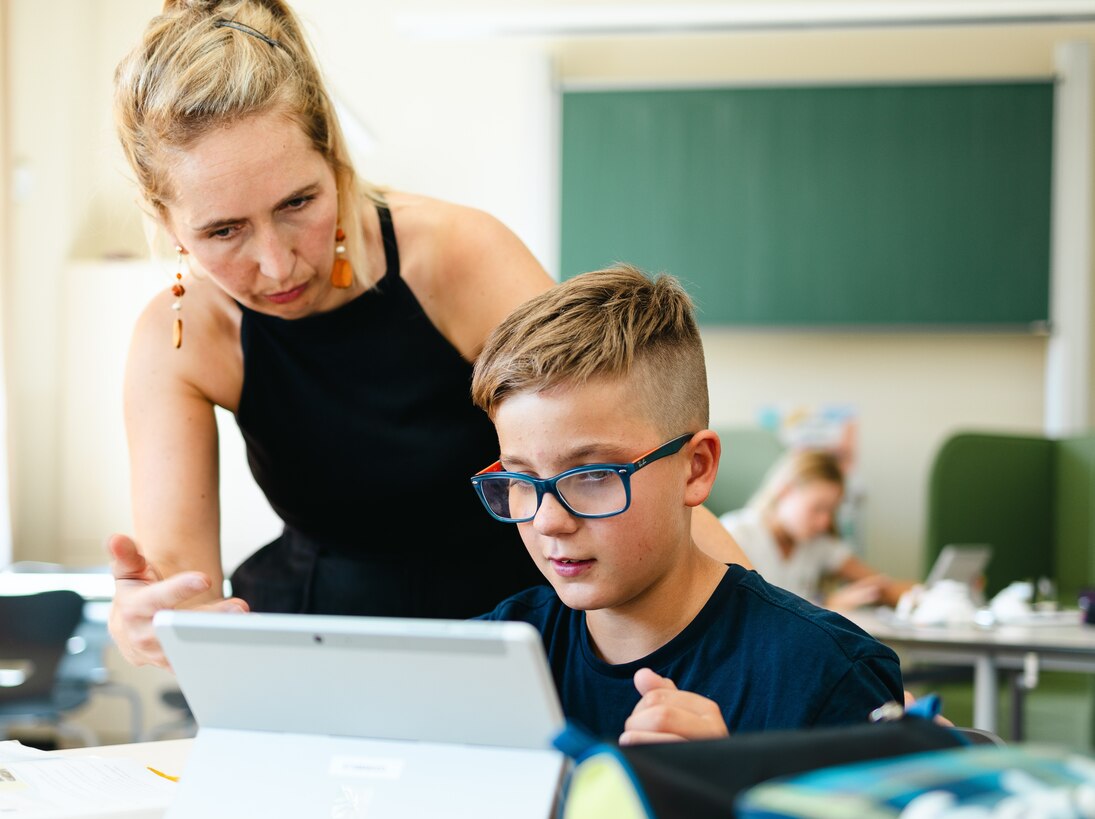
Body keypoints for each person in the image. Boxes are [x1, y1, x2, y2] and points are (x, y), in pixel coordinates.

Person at [105, 0, 749, 669]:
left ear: (334, 156)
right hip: (320, 646)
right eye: (222, 230)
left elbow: (639, 471)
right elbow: (181, 594)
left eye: (297, 203)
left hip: (518, 640)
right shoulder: (176, 336)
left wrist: (785, 638)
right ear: (165, 218)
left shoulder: (457, 257)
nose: (276, 263)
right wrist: (149, 624)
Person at [468, 264, 904, 743]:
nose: (549, 521)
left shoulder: (827, 677)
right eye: (521, 478)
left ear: (696, 468)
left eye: (594, 475)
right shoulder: (488, 658)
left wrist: (721, 787)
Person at [720, 449, 916, 612]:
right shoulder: (735, 534)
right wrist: (827, 605)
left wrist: (929, 597)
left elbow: (881, 584)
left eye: (831, 511)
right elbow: (745, 611)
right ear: (784, 491)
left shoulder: (816, 543)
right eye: (818, 508)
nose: (824, 522)